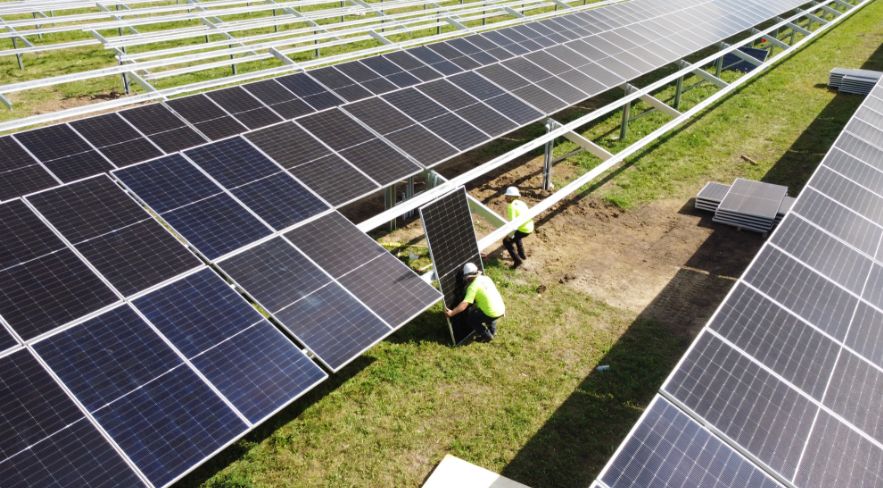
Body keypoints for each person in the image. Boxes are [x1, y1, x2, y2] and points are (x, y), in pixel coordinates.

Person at [445, 262, 505, 342]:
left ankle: (487, 336)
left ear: (468, 277)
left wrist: (452, 313)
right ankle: (493, 331)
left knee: (472, 319)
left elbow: (464, 305)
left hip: (491, 312)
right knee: (489, 312)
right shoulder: (486, 278)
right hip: (500, 308)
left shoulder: (473, 287)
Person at [502, 186, 534, 269]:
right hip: (530, 227)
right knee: (517, 236)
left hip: (522, 229)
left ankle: (517, 261)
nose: (505, 198)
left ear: (512, 197)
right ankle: (522, 254)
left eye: (507, 196)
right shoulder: (521, 203)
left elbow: (513, 224)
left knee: (506, 241)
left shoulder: (511, 206)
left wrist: (509, 236)